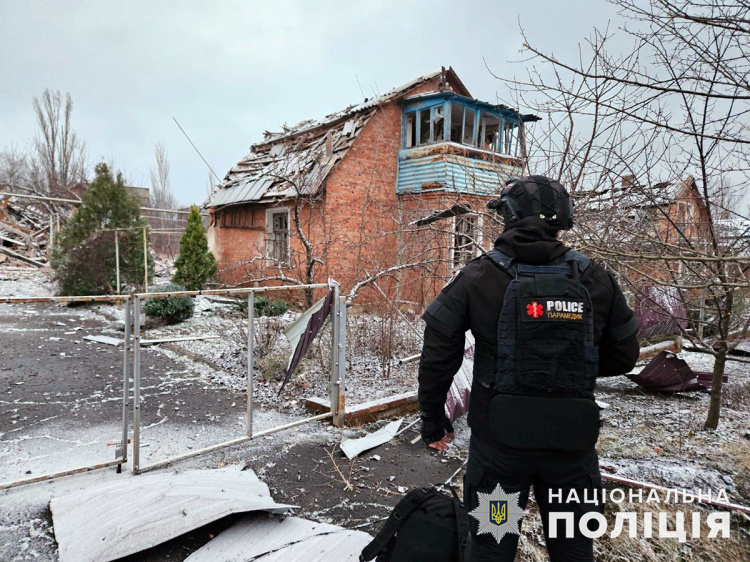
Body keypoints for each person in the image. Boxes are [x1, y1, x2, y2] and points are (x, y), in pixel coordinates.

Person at [417, 175, 639, 561]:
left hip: (501, 455)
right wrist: (566, 365)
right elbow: (625, 356)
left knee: (493, 545)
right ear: (561, 220)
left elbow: (438, 354)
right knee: (572, 548)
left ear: (510, 216)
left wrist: (433, 420)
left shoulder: (477, 276)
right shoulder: (596, 278)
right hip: (571, 453)